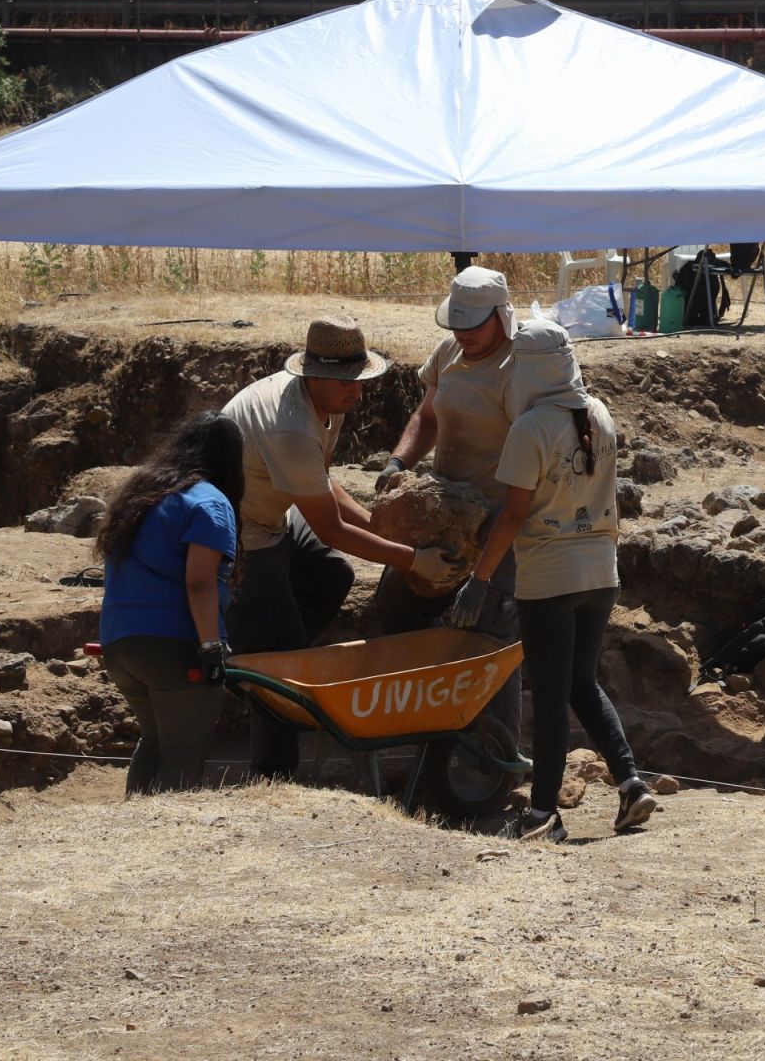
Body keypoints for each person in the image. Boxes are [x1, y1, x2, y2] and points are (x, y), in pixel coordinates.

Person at [223, 315, 468, 778]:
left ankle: (271, 636)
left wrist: (381, 532)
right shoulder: (290, 429)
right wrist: (412, 559)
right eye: (344, 382)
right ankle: (272, 771)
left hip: (277, 508)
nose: (356, 390)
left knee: (332, 573)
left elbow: (323, 484)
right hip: (240, 527)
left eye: (359, 379)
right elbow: (333, 528)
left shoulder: (323, 406)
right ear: (313, 375)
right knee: (281, 653)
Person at [450, 319, 654, 843]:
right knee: (580, 684)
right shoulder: (599, 414)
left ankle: (543, 814)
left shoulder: (531, 429)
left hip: (549, 578)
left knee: (549, 693)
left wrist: (480, 578)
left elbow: (513, 515)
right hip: (599, 573)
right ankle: (631, 783)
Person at [374, 266, 523, 726]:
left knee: (489, 633)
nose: (463, 334)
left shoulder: (521, 367)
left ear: (501, 316)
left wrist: (484, 573)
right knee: (396, 604)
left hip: (498, 516)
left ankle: (492, 754)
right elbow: (428, 417)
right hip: (440, 511)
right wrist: (400, 460)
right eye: (456, 324)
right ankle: (423, 718)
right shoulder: (449, 353)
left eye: (473, 325)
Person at [95, 411, 243, 796]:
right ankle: (166, 846)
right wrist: (212, 648)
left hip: (119, 644)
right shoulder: (210, 503)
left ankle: (133, 834)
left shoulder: (140, 494)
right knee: (184, 752)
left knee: (156, 742)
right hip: (174, 646)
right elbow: (199, 582)